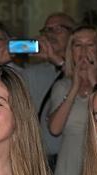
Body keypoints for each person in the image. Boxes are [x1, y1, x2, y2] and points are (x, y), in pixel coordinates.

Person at [48, 25, 97, 175]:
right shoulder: (62, 86)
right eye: (78, 45)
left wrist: (95, 82)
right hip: (68, 172)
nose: (84, 51)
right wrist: (74, 87)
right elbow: (55, 129)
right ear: (71, 51)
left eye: (90, 45)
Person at [25, 12, 75, 165]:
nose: (51, 34)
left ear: (73, 35)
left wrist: (59, 62)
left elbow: (80, 83)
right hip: (40, 160)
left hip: (72, 160)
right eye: (47, 30)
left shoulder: (86, 71)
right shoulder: (33, 72)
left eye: (58, 29)